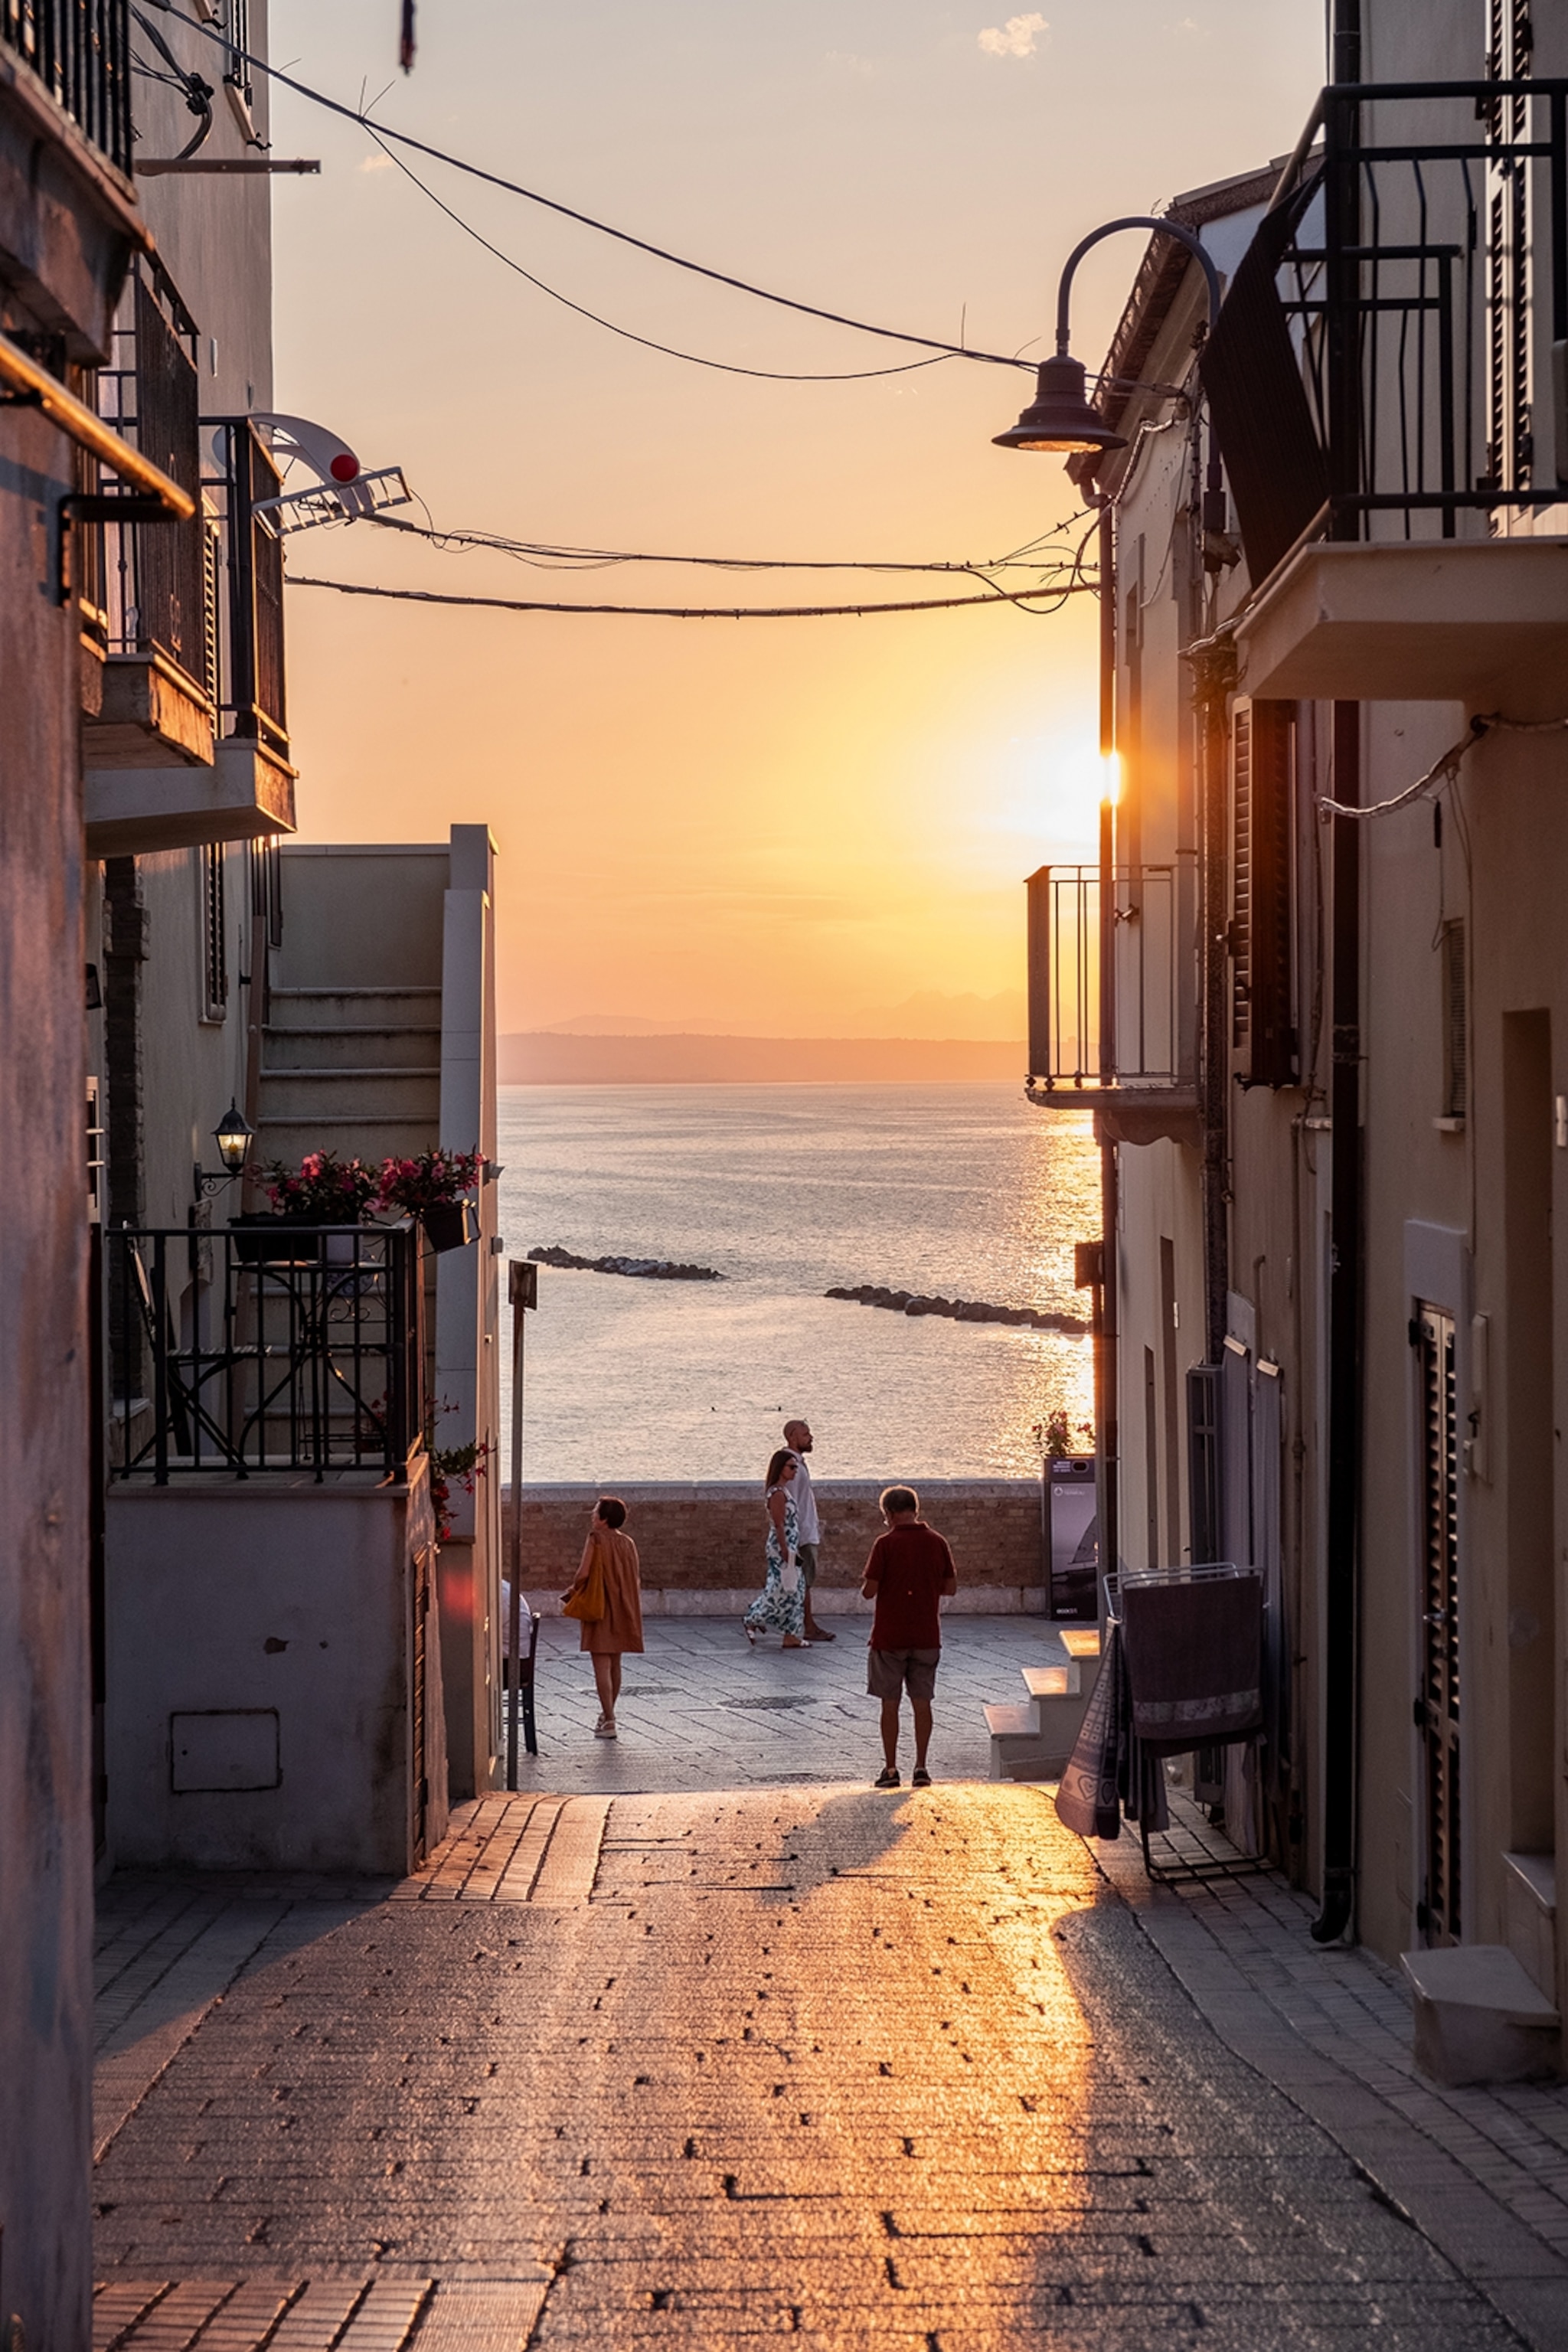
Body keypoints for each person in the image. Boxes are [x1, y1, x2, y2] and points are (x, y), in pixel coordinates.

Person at [861, 1485, 958, 1788]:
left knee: (890, 1703)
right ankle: (921, 1767)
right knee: (922, 1701)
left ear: (888, 1514)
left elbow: (869, 1591)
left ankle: (890, 1769)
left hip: (890, 1636)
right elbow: (951, 1587)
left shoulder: (884, 1544)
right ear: (915, 1510)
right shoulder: (937, 1542)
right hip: (927, 1634)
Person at [560, 1494, 643, 1740]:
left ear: (604, 1519)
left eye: (596, 1511)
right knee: (615, 1663)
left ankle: (609, 1719)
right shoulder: (628, 1543)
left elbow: (583, 1573)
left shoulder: (595, 1539)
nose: (592, 1515)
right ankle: (608, 1715)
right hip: (623, 1605)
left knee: (601, 1665)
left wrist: (573, 1590)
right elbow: (634, 1577)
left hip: (600, 1605)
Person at [743, 1449, 806, 1649]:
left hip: (790, 1546)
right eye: (792, 1467)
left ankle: (791, 1634)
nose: (795, 1471)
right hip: (782, 1547)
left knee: (794, 1589)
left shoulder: (784, 1490)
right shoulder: (777, 1494)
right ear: (780, 1468)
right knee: (781, 1589)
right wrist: (785, 1550)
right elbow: (779, 1525)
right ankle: (753, 1618)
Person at [783, 1416, 835, 1642]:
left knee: (802, 1582)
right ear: (792, 1436)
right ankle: (808, 1627)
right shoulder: (791, 1464)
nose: (811, 1437)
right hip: (801, 1533)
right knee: (803, 1582)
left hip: (804, 1531)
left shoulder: (797, 1463)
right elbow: (788, 1500)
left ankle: (803, 1626)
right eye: (806, 1434)